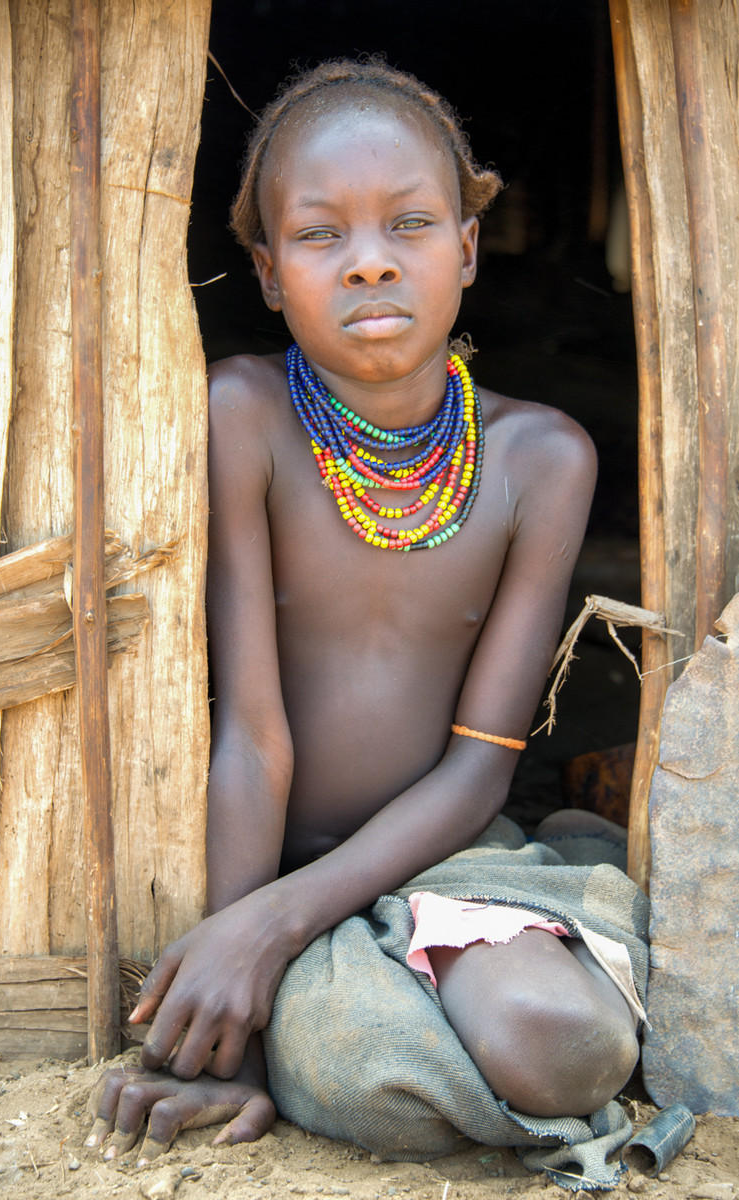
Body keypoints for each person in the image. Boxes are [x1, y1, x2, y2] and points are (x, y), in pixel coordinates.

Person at [87, 59, 648, 1185]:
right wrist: (236, 972)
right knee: (366, 1068)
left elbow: (482, 769)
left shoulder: (543, 458)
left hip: (451, 851)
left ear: (470, 249)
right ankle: (332, 1008)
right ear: (266, 271)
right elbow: (253, 736)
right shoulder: (240, 417)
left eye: (411, 224)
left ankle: (383, 975)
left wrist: (272, 933)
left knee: (564, 1044)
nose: (373, 258)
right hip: (273, 855)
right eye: (319, 236)